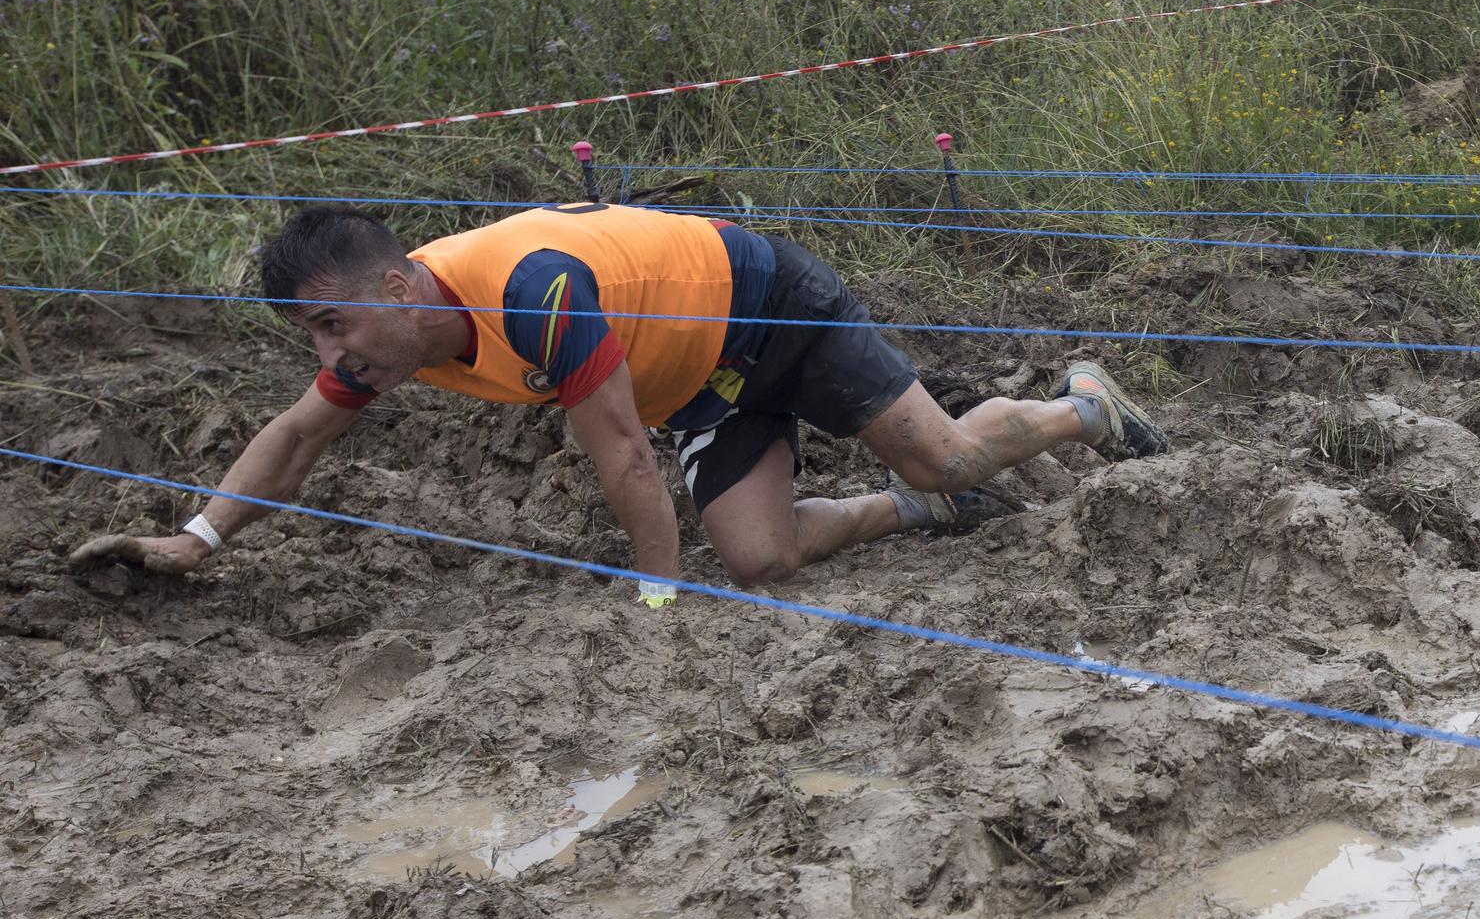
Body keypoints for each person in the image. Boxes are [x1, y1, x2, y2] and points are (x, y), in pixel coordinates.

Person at [69, 203, 1166, 599]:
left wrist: (655, 608)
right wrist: (198, 540)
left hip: (768, 304)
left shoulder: (535, 294)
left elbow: (624, 463)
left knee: (945, 453)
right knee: (757, 557)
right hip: (695, 373)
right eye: (315, 335)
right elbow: (295, 438)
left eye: (332, 325)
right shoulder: (387, 343)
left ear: (397, 288)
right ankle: (921, 512)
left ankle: (1077, 402)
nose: (330, 356)